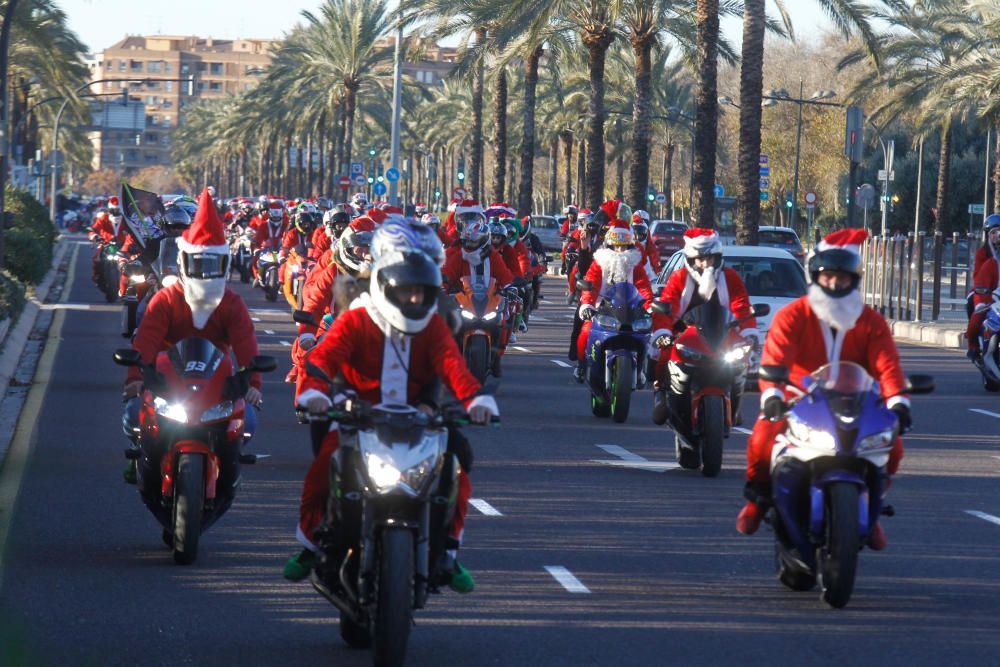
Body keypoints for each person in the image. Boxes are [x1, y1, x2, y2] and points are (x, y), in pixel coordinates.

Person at [286, 244, 499, 594]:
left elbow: (454, 367)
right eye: (406, 290)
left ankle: (447, 551)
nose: (414, 299)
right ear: (384, 289)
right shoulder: (356, 319)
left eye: (421, 292)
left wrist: (475, 400)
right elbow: (322, 360)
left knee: (456, 470)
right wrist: (314, 394)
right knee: (324, 467)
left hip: (419, 415)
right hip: (358, 413)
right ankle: (311, 545)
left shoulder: (432, 327)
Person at [735, 228, 909, 550]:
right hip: (800, 397)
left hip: (856, 400)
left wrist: (898, 401)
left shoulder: (870, 320)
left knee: (892, 444)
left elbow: (887, 364)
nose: (834, 284)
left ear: (853, 280)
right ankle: (758, 501)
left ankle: (870, 510)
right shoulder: (793, 314)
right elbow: (776, 355)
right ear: (816, 277)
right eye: (828, 277)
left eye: (842, 278)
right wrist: (773, 394)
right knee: (762, 436)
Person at [121, 189, 262, 482]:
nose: (204, 273)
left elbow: (246, 345)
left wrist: (253, 382)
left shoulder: (231, 302)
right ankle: (142, 457)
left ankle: (227, 465)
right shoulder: (166, 299)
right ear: (185, 263)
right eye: (199, 264)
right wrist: (136, 377)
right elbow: (145, 340)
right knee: (133, 415)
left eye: (212, 266)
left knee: (247, 421)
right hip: (166, 375)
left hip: (216, 380)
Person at [649, 228, 759, 425]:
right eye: (700, 259)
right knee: (664, 355)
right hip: (685, 332)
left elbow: (741, 305)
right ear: (691, 259)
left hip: (722, 333)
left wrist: (749, 332)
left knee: (742, 359)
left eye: (710, 258)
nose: (705, 264)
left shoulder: (730, 277)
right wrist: (664, 332)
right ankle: (661, 394)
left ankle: (734, 403)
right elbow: (667, 305)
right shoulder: (679, 278)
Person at [574, 225, 654, 381]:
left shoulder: (636, 266)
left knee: (645, 335)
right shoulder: (599, 264)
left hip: (630, 311)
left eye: (623, 247)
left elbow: (644, 287)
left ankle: (639, 369)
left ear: (630, 246)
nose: (619, 250)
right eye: (616, 246)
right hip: (603, 309)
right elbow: (590, 284)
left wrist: (649, 306)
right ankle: (582, 364)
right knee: (585, 333)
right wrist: (587, 305)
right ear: (609, 246)